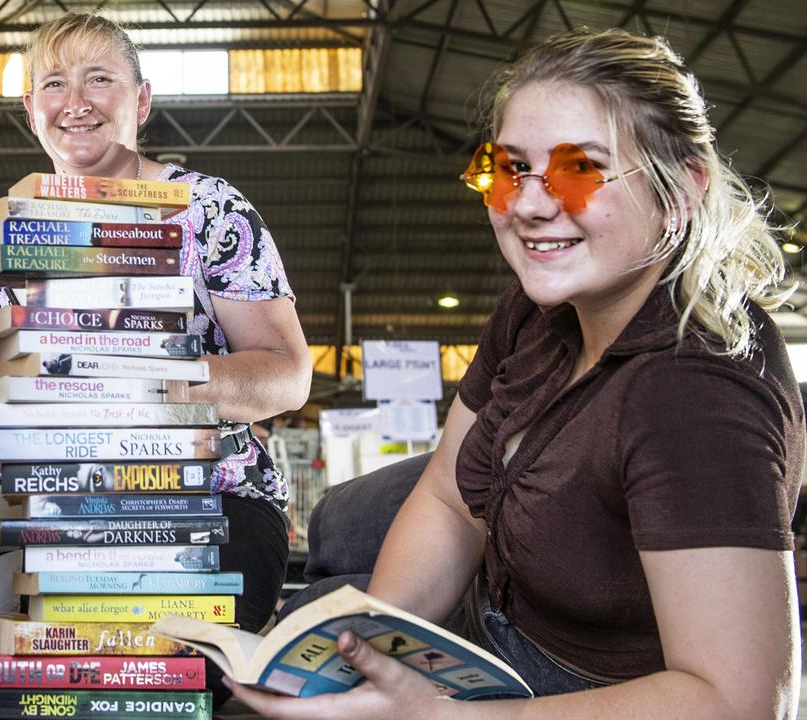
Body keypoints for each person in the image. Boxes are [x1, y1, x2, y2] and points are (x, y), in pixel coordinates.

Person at [230, 28, 803, 718]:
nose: (528, 206)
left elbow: (743, 701)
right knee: (339, 544)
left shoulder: (692, 399)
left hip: (585, 686)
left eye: (581, 168)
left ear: (679, 190)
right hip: (509, 599)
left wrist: (441, 714)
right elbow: (446, 494)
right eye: (508, 169)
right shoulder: (536, 311)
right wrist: (361, 650)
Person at [0, 12, 313, 698]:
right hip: (36, 510)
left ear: (141, 99)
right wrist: (40, 384)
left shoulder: (209, 211)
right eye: (54, 83)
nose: (75, 102)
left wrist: (131, 376)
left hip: (207, 504)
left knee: (144, 688)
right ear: (29, 110)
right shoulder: (3, 235)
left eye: (99, 79)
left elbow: (285, 374)